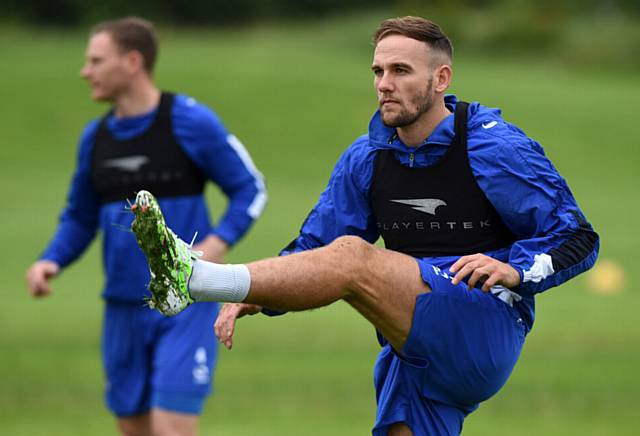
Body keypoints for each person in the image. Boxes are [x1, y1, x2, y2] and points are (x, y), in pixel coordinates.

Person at [131, 16, 598, 436]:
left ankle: (195, 277)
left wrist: (514, 269)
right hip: (413, 344)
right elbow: (315, 246)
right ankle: (212, 282)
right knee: (344, 257)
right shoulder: (367, 157)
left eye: (400, 71)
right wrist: (258, 295)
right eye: (378, 71)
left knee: (354, 258)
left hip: (483, 324)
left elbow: (577, 237)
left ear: (441, 79)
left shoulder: (494, 147)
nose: (384, 84)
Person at [24, 17, 266, 436]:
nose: (85, 71)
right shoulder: (94, 138)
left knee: (170, 428)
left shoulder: (190, 121)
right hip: (122, 309)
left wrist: (216, 242)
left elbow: (251, 189)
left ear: (132, 61)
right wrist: (51, 260)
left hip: (185, 304)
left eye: (96, 60)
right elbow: (80, 216)